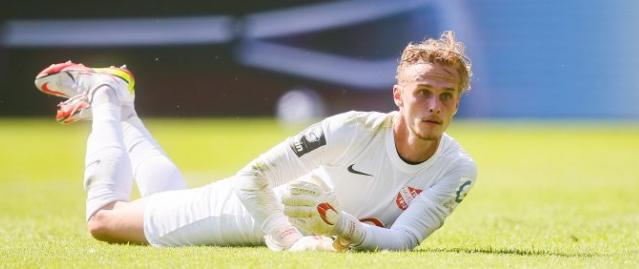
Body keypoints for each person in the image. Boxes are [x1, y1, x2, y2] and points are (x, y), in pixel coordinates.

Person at [34, 31, 477, 251]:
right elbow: (252, 178)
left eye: (446, 96)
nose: (433, 106)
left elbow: (403, 240)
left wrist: (338, 224)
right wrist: (289, 238)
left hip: (293, 223)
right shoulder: (352, 129)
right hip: (244, 210)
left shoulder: (457, 169)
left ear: (457, 102)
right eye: (423, 92)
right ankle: (105, 95)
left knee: (162, 200)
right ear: (398, 96)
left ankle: (124, 108)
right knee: (105, 221)